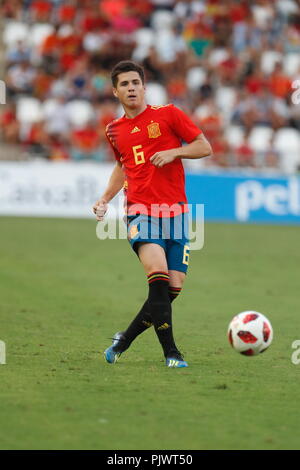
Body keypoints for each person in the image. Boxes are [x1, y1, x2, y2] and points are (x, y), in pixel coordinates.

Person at [93, 60, 212, 368]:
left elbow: (204, 146)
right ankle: (172, 353)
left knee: (173, 287)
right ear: (115, 91)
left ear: (144, 87)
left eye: (135, 82)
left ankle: (124, 340)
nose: (131, 88)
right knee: (157, 278)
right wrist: (106, 198)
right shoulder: (114, 130)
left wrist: (175, 152)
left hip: (176, 212)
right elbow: (123, 166)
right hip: (140, 211)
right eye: (124, 84)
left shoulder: (169, 115)